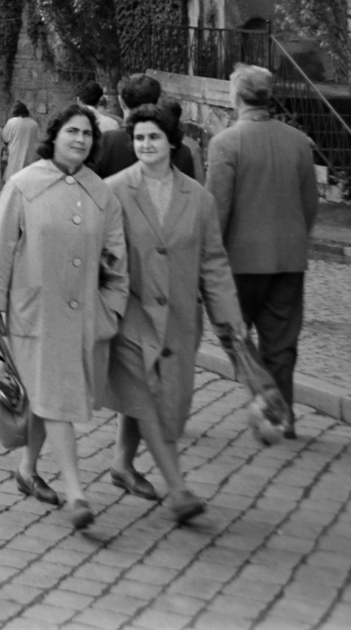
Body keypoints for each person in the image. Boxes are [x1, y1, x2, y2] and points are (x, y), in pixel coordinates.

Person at [0, 104, 128, 530]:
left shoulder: (102, 194)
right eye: (72, 132)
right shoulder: (24, 185)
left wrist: (112, 309)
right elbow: (2, 246)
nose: (80, 139)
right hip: (34, 313)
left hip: (83, 317)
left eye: (87, 134)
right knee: (56, 398)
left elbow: (117, 260)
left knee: (49, 397)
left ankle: (27, 470)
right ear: (55, 135)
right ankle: (77, 493)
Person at [102, 103, 246, 524]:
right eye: (140, 137)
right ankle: (178, 489)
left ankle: (121, 464)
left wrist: (229, 321)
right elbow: (102, 257)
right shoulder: (114, 190)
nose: (146, 145)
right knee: (148, 396)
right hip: (131, 314)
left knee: (158, 394)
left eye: (154, 137)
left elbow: (214, 264)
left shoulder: (198, 199)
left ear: (171, 142)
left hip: (180, 319)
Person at [206, 64, 319, 433]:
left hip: (238, 262)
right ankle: (284, 415)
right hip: (288, 258)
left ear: (235, 96)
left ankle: (263, 392)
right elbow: (310, 204)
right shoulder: (298, 141)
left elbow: (217, 210)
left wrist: (207, 261)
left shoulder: (225, 143)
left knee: (233, 335)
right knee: (282, 342)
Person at [92, 75, 194, 179]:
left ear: (121, 101)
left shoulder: (105, 141)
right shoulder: (181, 150)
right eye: (139, 138)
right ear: (158, 103)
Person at [2, 102, 42, 184]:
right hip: (30, 156)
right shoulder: (34, 124)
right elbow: (38, 139)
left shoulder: (12, 122)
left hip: (14, 155)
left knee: (13, 180)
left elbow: (5, 138)